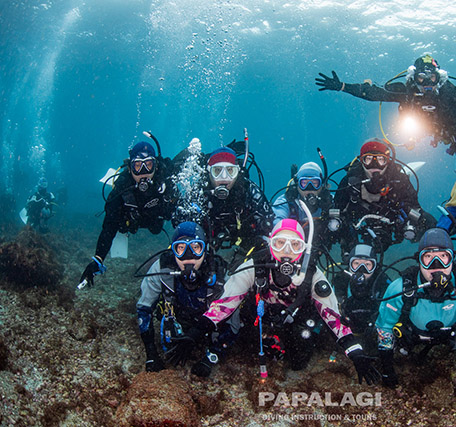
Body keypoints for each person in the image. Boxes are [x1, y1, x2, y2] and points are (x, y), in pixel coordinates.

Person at [202, 219, 381, 384]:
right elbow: (225, 304)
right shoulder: (256, 265)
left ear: (303, 249)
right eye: (280, 243)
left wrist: (354, 351)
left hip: (295, 319)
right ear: (271, 244)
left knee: (299, 359)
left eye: (295, 245)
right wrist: (197, 330)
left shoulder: (311, 273)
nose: (287, 251)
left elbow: (332, 314)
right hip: (260, 319)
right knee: (245, 347)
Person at [316, 54, 456, 155]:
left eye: (431, 78)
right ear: (414, 78)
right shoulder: (406, 92)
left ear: (438, 78)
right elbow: (375, 93)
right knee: (405, 138)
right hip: (417, 129)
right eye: (421, 78)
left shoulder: (450, 93)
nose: (426, 83)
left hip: (450, 129)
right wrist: (343, 86)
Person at [375, 228, 456, 388]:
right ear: (419, 261)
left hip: (455, 333)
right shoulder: (401, 288)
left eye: (443, 256)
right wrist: (387, 368)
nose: (436, 265)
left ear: (452, 259)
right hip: (414, 337)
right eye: (428, 257)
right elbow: (385, 326)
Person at [136, 221, 238, 377]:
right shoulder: (162, 268)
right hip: (177, 319)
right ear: (173, 250)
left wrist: (211, 357)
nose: (188, 256)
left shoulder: (220, 272)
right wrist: (151, 354)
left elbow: (234, 319)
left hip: (208, 328)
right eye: (181, 248)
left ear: (205, 249)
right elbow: (144, 307)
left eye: (196, 247)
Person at [78, 141, 176, 287]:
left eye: (148, 165)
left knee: (157, 227)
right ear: (130, 168)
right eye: (138, 166)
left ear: (155, 166)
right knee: (121, 226)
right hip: (131, 221)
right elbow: (109, 227)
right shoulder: (121, 189)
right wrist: (98, 259)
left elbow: (179, 214)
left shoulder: (165, 181)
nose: (143, 171)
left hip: (155, 219)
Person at [333, 138, 436, 253]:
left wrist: (416, 222)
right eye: (368, 159)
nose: (374, 165)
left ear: (387, 162)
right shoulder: (350, 182)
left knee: (430, 223)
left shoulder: (400, 181)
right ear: (362, 161)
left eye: (381, 160)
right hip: (359, 219)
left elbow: (415, 207)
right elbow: (336, 211)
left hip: (391, 219)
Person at [202, 147, 273, 255]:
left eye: (230, 171)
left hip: (245, 252)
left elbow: (269, 223)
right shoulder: (200, 192)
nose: (224, 177)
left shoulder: (248, 190)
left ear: (238, 171)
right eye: (217, 171)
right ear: (209, 171)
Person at [333, 244, 391, 350]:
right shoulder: (340, 280)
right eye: (356, 263)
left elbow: (392, 310)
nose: (362, 269)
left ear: (375, 266)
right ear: (349, 264)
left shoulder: (382, 281)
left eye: (367, 264)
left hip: (373, 329)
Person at [272, 161, 335, 254]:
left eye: (315, 183)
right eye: (304, 183)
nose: (310, 188)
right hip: (291, 250)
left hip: (320, 249)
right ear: (297, 184)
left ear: (322, 185)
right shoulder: (285, 202)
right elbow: (277, 221)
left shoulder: (331, 202)